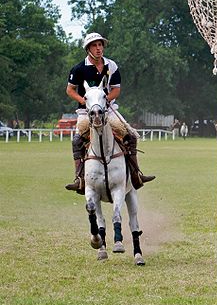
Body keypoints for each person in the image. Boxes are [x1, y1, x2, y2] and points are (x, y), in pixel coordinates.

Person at [65, 32, 155, 193]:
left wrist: (104, 100)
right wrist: (85, 101)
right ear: (88, 49)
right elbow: (70, 90)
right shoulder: (79, 68)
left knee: (130, 136)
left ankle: (135, 174)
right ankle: (79, 178)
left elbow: (116, 90)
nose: (99, 48)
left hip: (108, 109)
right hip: (86, 113)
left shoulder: (111, 66)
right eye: (95, 45)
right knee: (77, 140)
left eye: (100, 45)